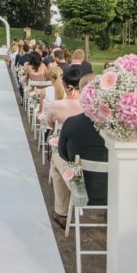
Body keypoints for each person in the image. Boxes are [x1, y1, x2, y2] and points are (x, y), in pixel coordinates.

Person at [49, 73, 107, 229]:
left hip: (81, 186)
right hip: (113, 186)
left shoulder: (73, 123)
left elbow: (63, 153)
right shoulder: (117, 126)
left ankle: (61, 212)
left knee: (56, 157)